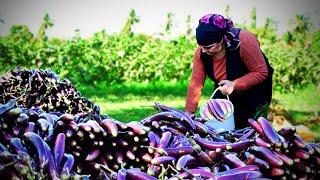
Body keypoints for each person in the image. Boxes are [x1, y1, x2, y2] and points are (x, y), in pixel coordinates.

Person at [185, 14, 274, 129]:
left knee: (250, 130)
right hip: (225, 89)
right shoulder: (201, 53)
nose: (204, 51)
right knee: (218, 126)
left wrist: (234, 84)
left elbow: (261, 72)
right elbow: (196, 83)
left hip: (256, 90)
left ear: (221, 39)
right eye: (201, 47)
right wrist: (189, 112)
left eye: (208, 47)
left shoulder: (245, 41)